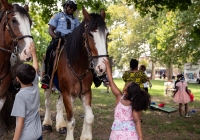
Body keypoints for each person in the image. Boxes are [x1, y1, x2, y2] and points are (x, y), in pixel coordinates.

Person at [103, 58, 151, 140]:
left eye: (126, 86)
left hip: (116, 135)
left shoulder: (119, 97)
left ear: (125, 91)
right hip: (130, 136)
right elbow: (137, 120)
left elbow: (111, 80)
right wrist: (140, 137)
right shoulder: (135, 103)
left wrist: (108, 66)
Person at [41, 0, 80, 89]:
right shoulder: (58, 15)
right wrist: (56, 37)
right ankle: (47, 76)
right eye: (70, 6)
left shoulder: (76, 20)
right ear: (65, 6)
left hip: (71, 41)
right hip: (59, 39)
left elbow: (78, 32)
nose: (72, 9)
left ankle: (94, 75)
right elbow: (50, 30)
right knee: (49, 50)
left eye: (73, 8)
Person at [11, 42, 42, 140]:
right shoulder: (35, 84)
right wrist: (34, 54)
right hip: (38, 133)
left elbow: (21, 122)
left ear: (17, 79)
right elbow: (35, 69)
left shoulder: (20, 96)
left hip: (27, 137)